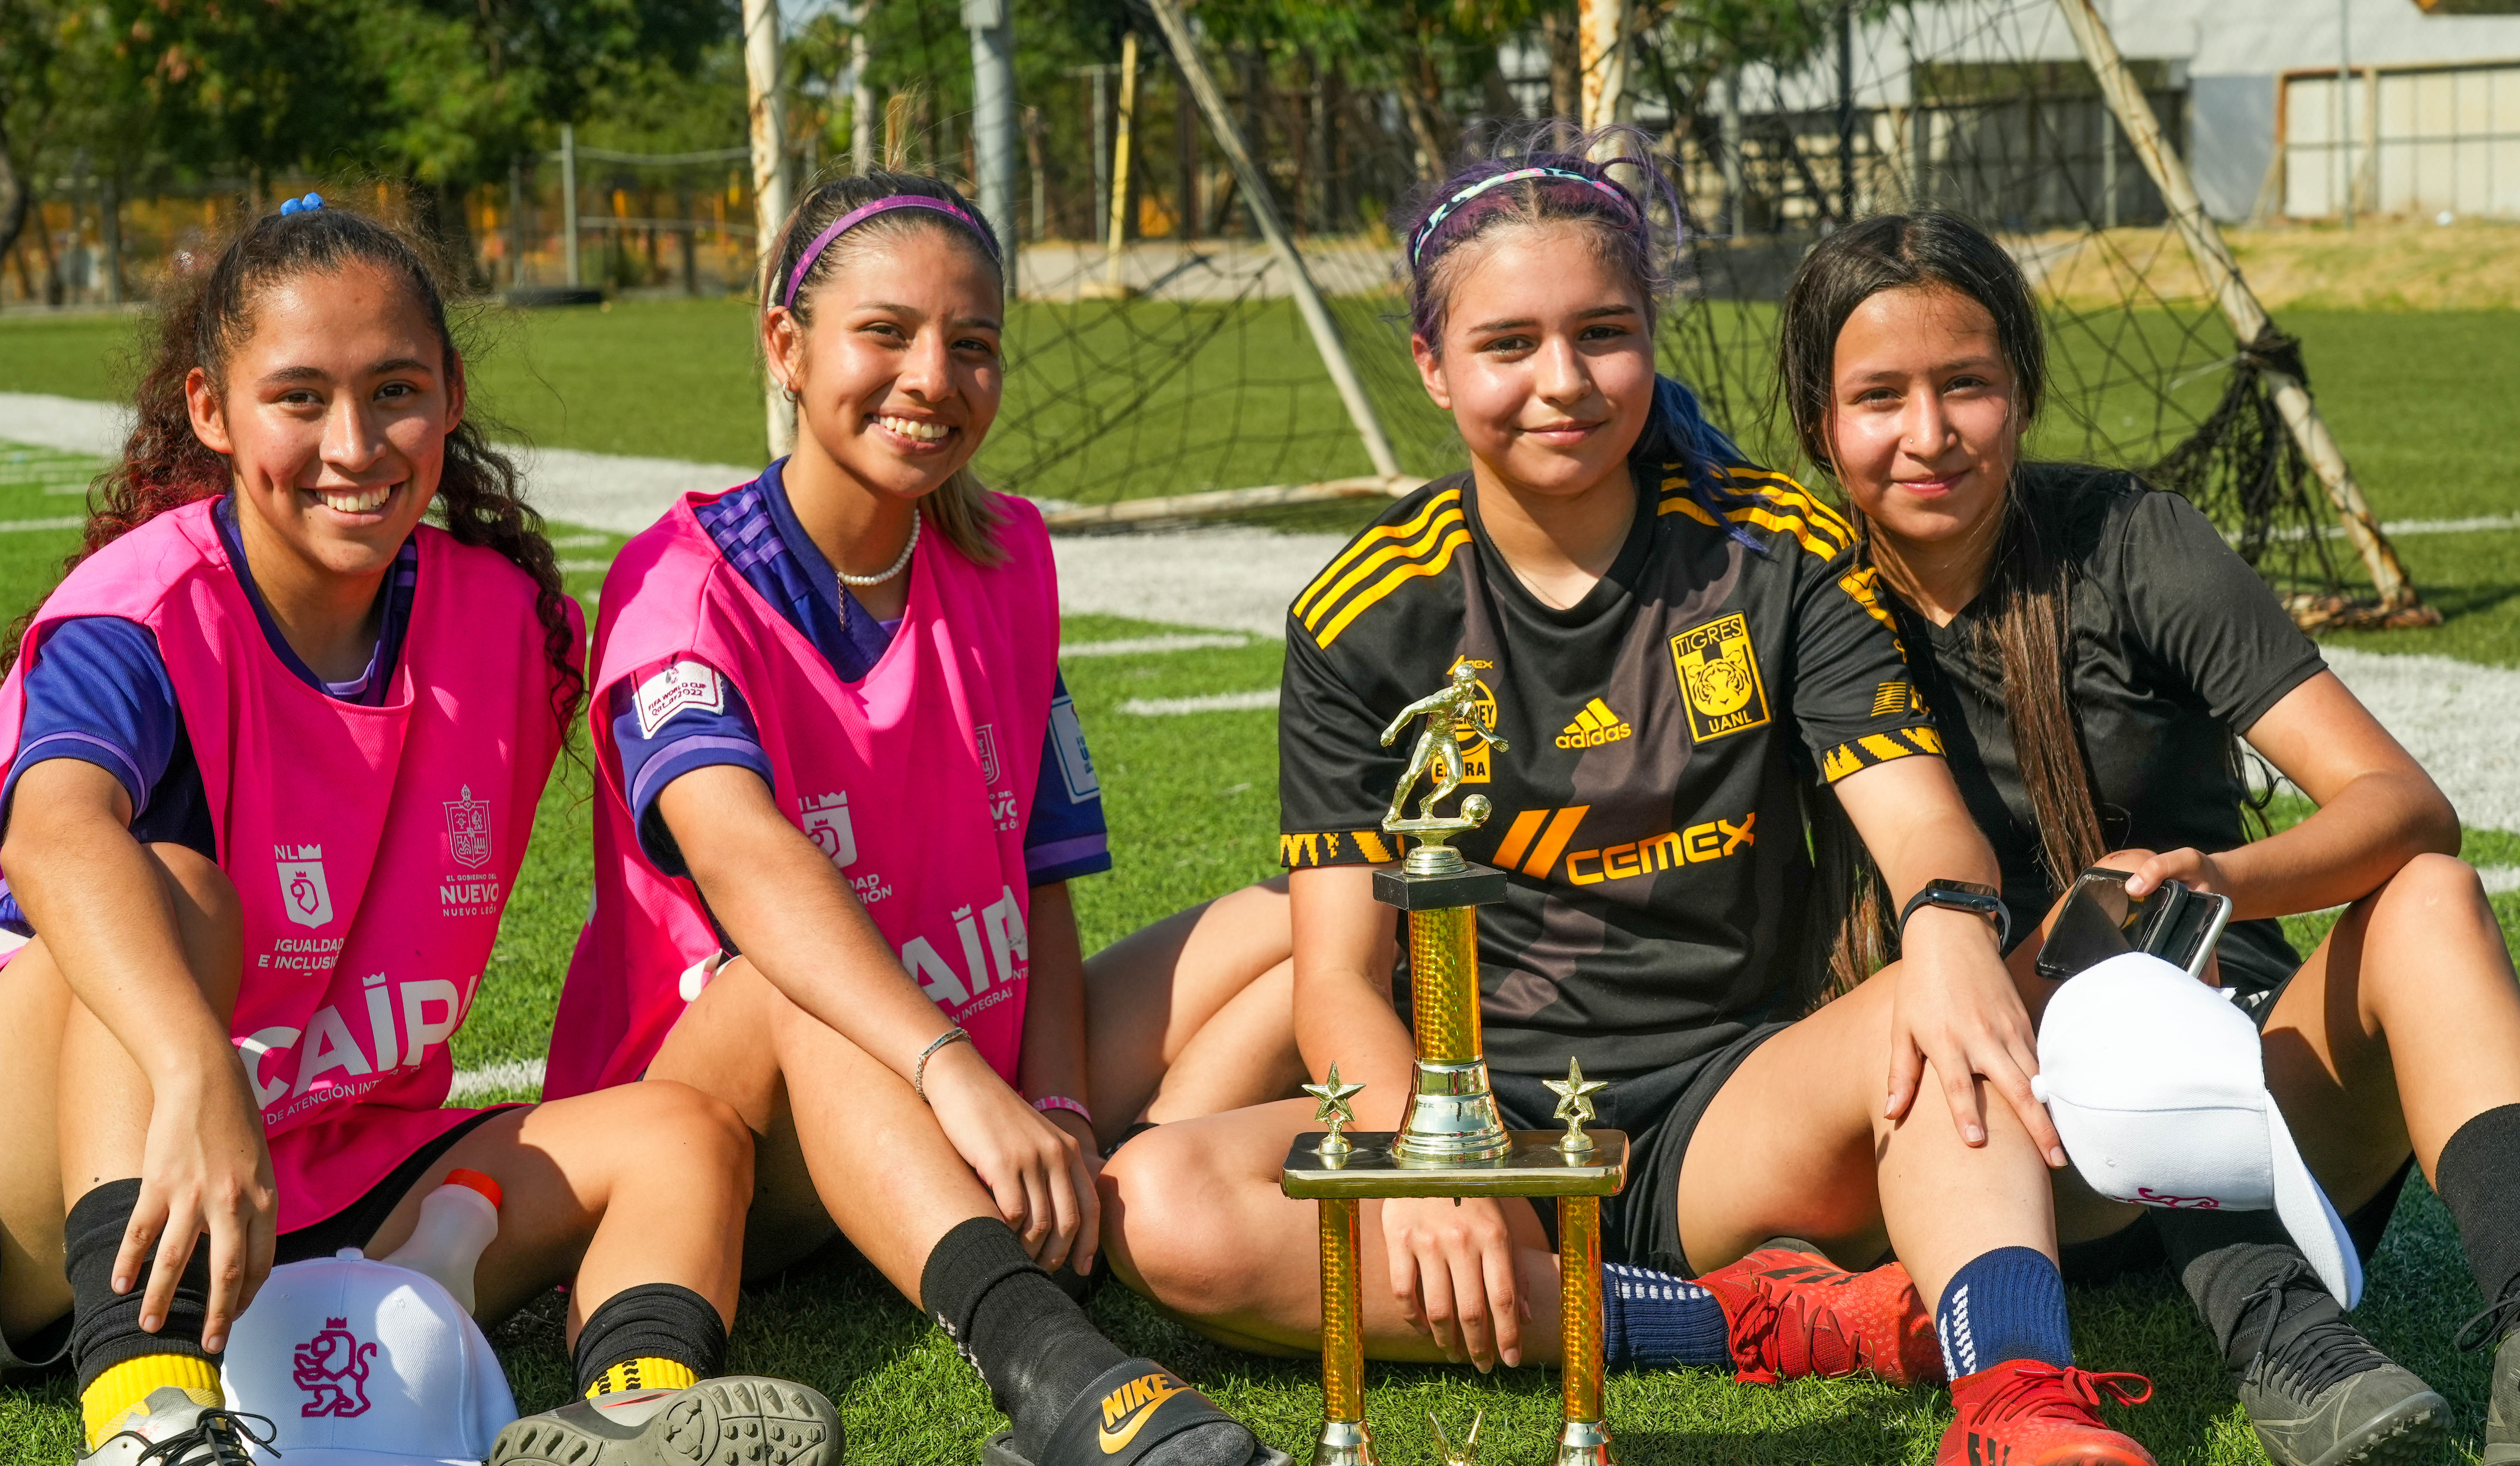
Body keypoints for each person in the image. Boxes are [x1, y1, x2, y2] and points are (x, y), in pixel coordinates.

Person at [1101, 134, 2163, 1466]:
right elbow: (1338, 983)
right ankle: (1746, 1321)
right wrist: (1439, 1162)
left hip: (1739, 1115)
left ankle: (2021, 1402)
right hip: (1491, 1113)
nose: (1563, 382)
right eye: (1508, 345)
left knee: (1942, 1006)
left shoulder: (1773, 549)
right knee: (1164, 1204)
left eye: (1602, 333)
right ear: (1433, 365)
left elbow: (1919, 820)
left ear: (1652, 337)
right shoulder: (1365, 613)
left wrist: (1949, 922)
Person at [0, 198, 842, 1466]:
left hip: (314, 1155)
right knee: (175, 891)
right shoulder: (141, 615)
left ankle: (630, 1409)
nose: (352, 445)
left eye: (394, 391)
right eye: (299, 399)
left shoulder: (509, 630)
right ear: (211, 411)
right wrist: (194, 1066)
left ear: (450, 395)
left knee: (677, 1133)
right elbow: (53, 835)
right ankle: (148, 1418)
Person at [547, 168, 1274, 1466]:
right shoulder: (682, 584)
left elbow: (1043, 879)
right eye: (886, 333)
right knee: (794, 980)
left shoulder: (1011, 553)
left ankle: (1120, 1206)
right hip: (736, 1117)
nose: (933, 379)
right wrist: (954, 1074)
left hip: (970, 1068)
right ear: (787, 346)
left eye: (973, 344)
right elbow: (745, 862)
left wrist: (1057, 1099)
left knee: (1296, 925)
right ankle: (1055, 1365)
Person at [1781, 208, 2520, 1466]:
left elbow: (2402, 803)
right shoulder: (1793, 597)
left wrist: (2215, 877)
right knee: (2100, 957)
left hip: (2256, 1105)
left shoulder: (2132, 540)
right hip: (1991, 1150)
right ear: (1818, 422)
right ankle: (2286, 1337)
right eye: (1879, 397)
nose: (1930, 433)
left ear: (2023, 391)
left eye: (1967, 385)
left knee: (2433, 894)